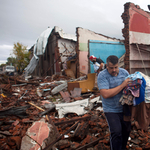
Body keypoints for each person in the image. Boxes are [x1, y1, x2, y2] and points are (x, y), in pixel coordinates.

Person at [97, 55, 131, 150]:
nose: (114, 70)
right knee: (116, 132)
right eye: (111, 68)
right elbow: (105, 94)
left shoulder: (124, 73)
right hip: (111, 109)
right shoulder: (102, 76)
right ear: (107, 66)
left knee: (127, 130)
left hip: (124, 108)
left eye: (116, 67)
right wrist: (123, 85)